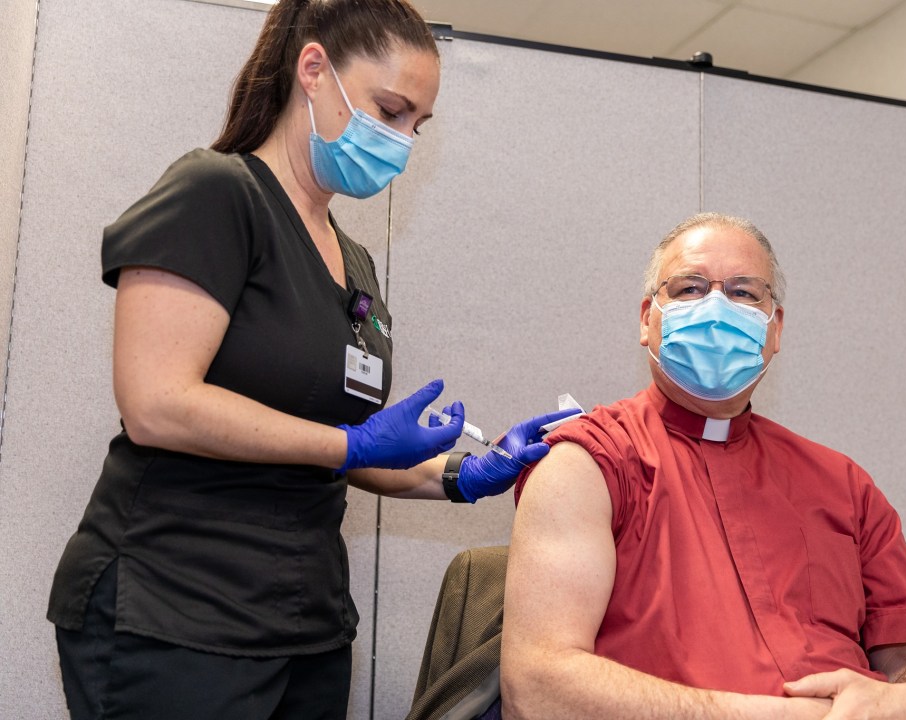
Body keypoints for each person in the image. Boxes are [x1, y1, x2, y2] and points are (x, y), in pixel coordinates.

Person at [46, 1, 574, 718]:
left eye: (417, 125)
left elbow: (337, 448)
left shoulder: (353, 261)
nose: (401, 141)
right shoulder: (216, 193)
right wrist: (349, 442)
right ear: (315, 69)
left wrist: (460, 474)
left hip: (305, 621)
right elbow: (156, 403)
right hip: (176, 609)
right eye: (390, 110)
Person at [501, 213, 906, 719]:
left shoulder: (843, 484)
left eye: (745, 293)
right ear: (646, 318)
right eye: (690, 288)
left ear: (776, 329)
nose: (717, 309)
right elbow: (537, 687)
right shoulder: (587, 466)